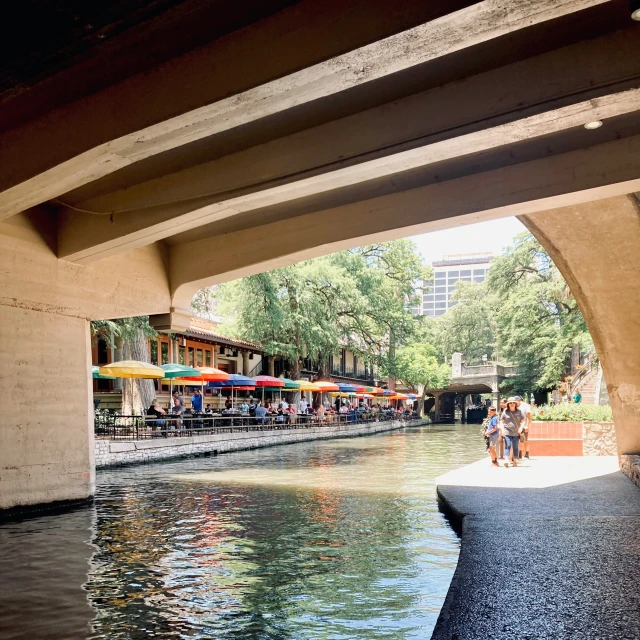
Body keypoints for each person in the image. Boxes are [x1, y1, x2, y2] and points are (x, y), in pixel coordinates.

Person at [500, 397, 525, 467]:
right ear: (508, 404)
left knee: (515, 446)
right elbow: (501, 422)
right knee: (507, 445)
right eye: (510, 403)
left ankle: (515, 461)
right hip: (507, 431)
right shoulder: (505, 411)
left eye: (513, 403)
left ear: (515, 404)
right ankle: (506, 460)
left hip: (516, 433)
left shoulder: (520, 411)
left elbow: (523, 421)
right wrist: (502, 430)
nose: (512, 404)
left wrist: (521, 427)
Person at [515, 395, 532, 460]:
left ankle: (527, 453)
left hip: (524, 425)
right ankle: (519, 454)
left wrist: (527, 425)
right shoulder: (515, 405)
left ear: (519, 401)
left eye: (516, 402)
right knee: (518, 440)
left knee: (525, 440)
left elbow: (528, 416)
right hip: (517, 425)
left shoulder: (525, 406)